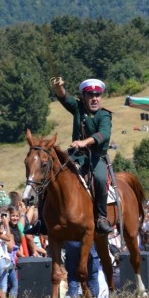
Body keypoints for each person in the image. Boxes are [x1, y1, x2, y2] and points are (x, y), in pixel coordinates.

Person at [48, 77, 113, 234]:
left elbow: (103, 133)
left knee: (100, 178)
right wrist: (59, 87)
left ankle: (102, 218)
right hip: (76, 156)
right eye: (90, 95)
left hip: (96, 157)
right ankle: (42, 219)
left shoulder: (104, 116)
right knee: (51, 173)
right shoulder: (78, 108)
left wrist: (84, 142)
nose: (94, 99)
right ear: (84, 97)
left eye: (97, 95)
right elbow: (64, 98)